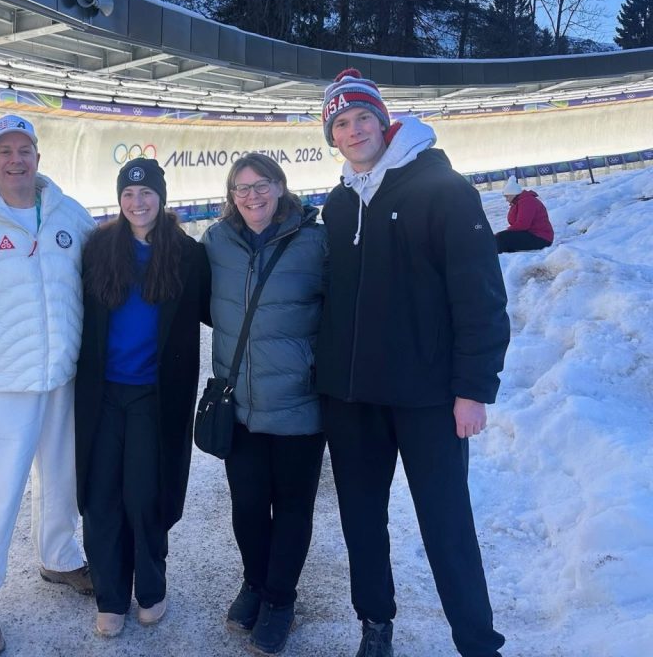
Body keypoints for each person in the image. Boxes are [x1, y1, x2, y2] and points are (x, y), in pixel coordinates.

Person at [315, 68, 510, 657]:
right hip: (354, 399)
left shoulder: (441, 187)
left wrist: (473, 387)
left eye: (362, 118)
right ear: (332, 135)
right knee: (362, 521)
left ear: (384, 120)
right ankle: (376, 624)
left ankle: (478, 642)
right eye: (341, 123)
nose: (354, 131)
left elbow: (479, 293)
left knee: (447, 524)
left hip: (426, 397)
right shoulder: (341, 202)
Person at [0, 113, 95, 655]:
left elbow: (105, 262)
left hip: (62, 372)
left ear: (38, 157)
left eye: (25, 150)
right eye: (5, 151)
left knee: (62, 478)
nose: (16, 160)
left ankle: (60, 558)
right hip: (4, 378)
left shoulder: (65, 211)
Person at [74, 158, 211, 638]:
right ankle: (111, 596)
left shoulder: (187, 255)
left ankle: (150, 588)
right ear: (120, 199)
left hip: (156, 396)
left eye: (147, 193)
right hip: (104, 393)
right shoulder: (98, 250)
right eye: (129, 194)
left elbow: (226, 309)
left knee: (144, 492)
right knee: (100, 494)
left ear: (162, 197)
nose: (138, 202)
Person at [201, 153, 328, 656]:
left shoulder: (316, 241)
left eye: (261, 185)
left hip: (298, 401)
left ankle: (280, 599)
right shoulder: (216, 242)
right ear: (231, 195)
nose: (251, 196)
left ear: (280, 187)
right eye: (241, 188)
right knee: (248, 505)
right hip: (241, 403)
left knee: (293, 507)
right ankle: (254, 584)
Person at [494, 176, 554, 253]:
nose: (506, 199)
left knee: (501, 238)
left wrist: (506, 232)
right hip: (533, 235)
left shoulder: (527, 202)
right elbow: (513, 221)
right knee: (501, 238)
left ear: (513, 193)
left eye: (507, 196)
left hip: (542, 238)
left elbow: (523, 224)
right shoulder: (519, 202)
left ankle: (498, 257)